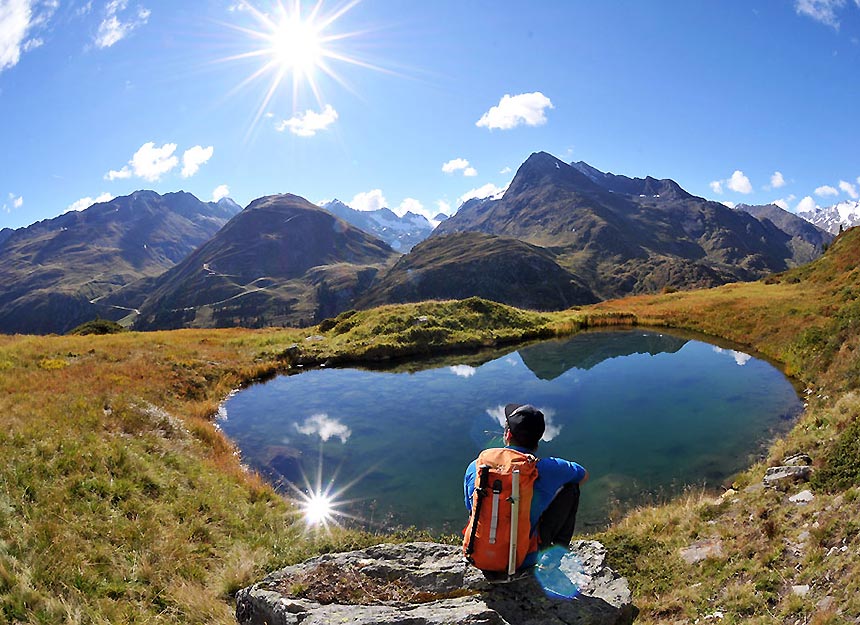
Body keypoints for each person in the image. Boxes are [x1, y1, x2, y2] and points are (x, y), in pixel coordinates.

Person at [464, 403, 589, 570]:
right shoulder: (549, 468)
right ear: (539, 438)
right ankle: (553, 557)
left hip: (477, 554)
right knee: (571, 488)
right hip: (523, 559)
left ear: (508, 434)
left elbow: (471, 507)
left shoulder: (477, 466)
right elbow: (583, 475)